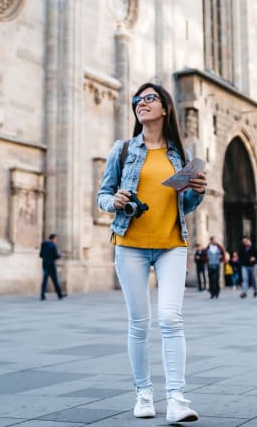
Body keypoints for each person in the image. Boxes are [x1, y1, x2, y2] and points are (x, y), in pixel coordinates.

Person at [97, 81, 206, 422]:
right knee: (139, 323)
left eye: (149, 98)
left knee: (171, 319)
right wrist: (113, 201)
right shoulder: (122, 150)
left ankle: (176, 399)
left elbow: (185, 204)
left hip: (171, 244)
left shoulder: (179, 155)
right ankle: (143, 393)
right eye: (137, 100)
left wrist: (198, 191)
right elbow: (102, 195)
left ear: (165, 108)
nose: (141, 103)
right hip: (130, 245)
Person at [39, 234, 65, 300]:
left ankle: (42, 295)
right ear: (53, 239)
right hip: (51, 266)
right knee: (55, 281)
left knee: (44, 281)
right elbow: (55, 256)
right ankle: (59, 295)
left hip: (45, 265)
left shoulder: (43, 245)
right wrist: (61, 255)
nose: (56, 240)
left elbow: (41, 255)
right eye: (56, 239)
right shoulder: (53, 245)